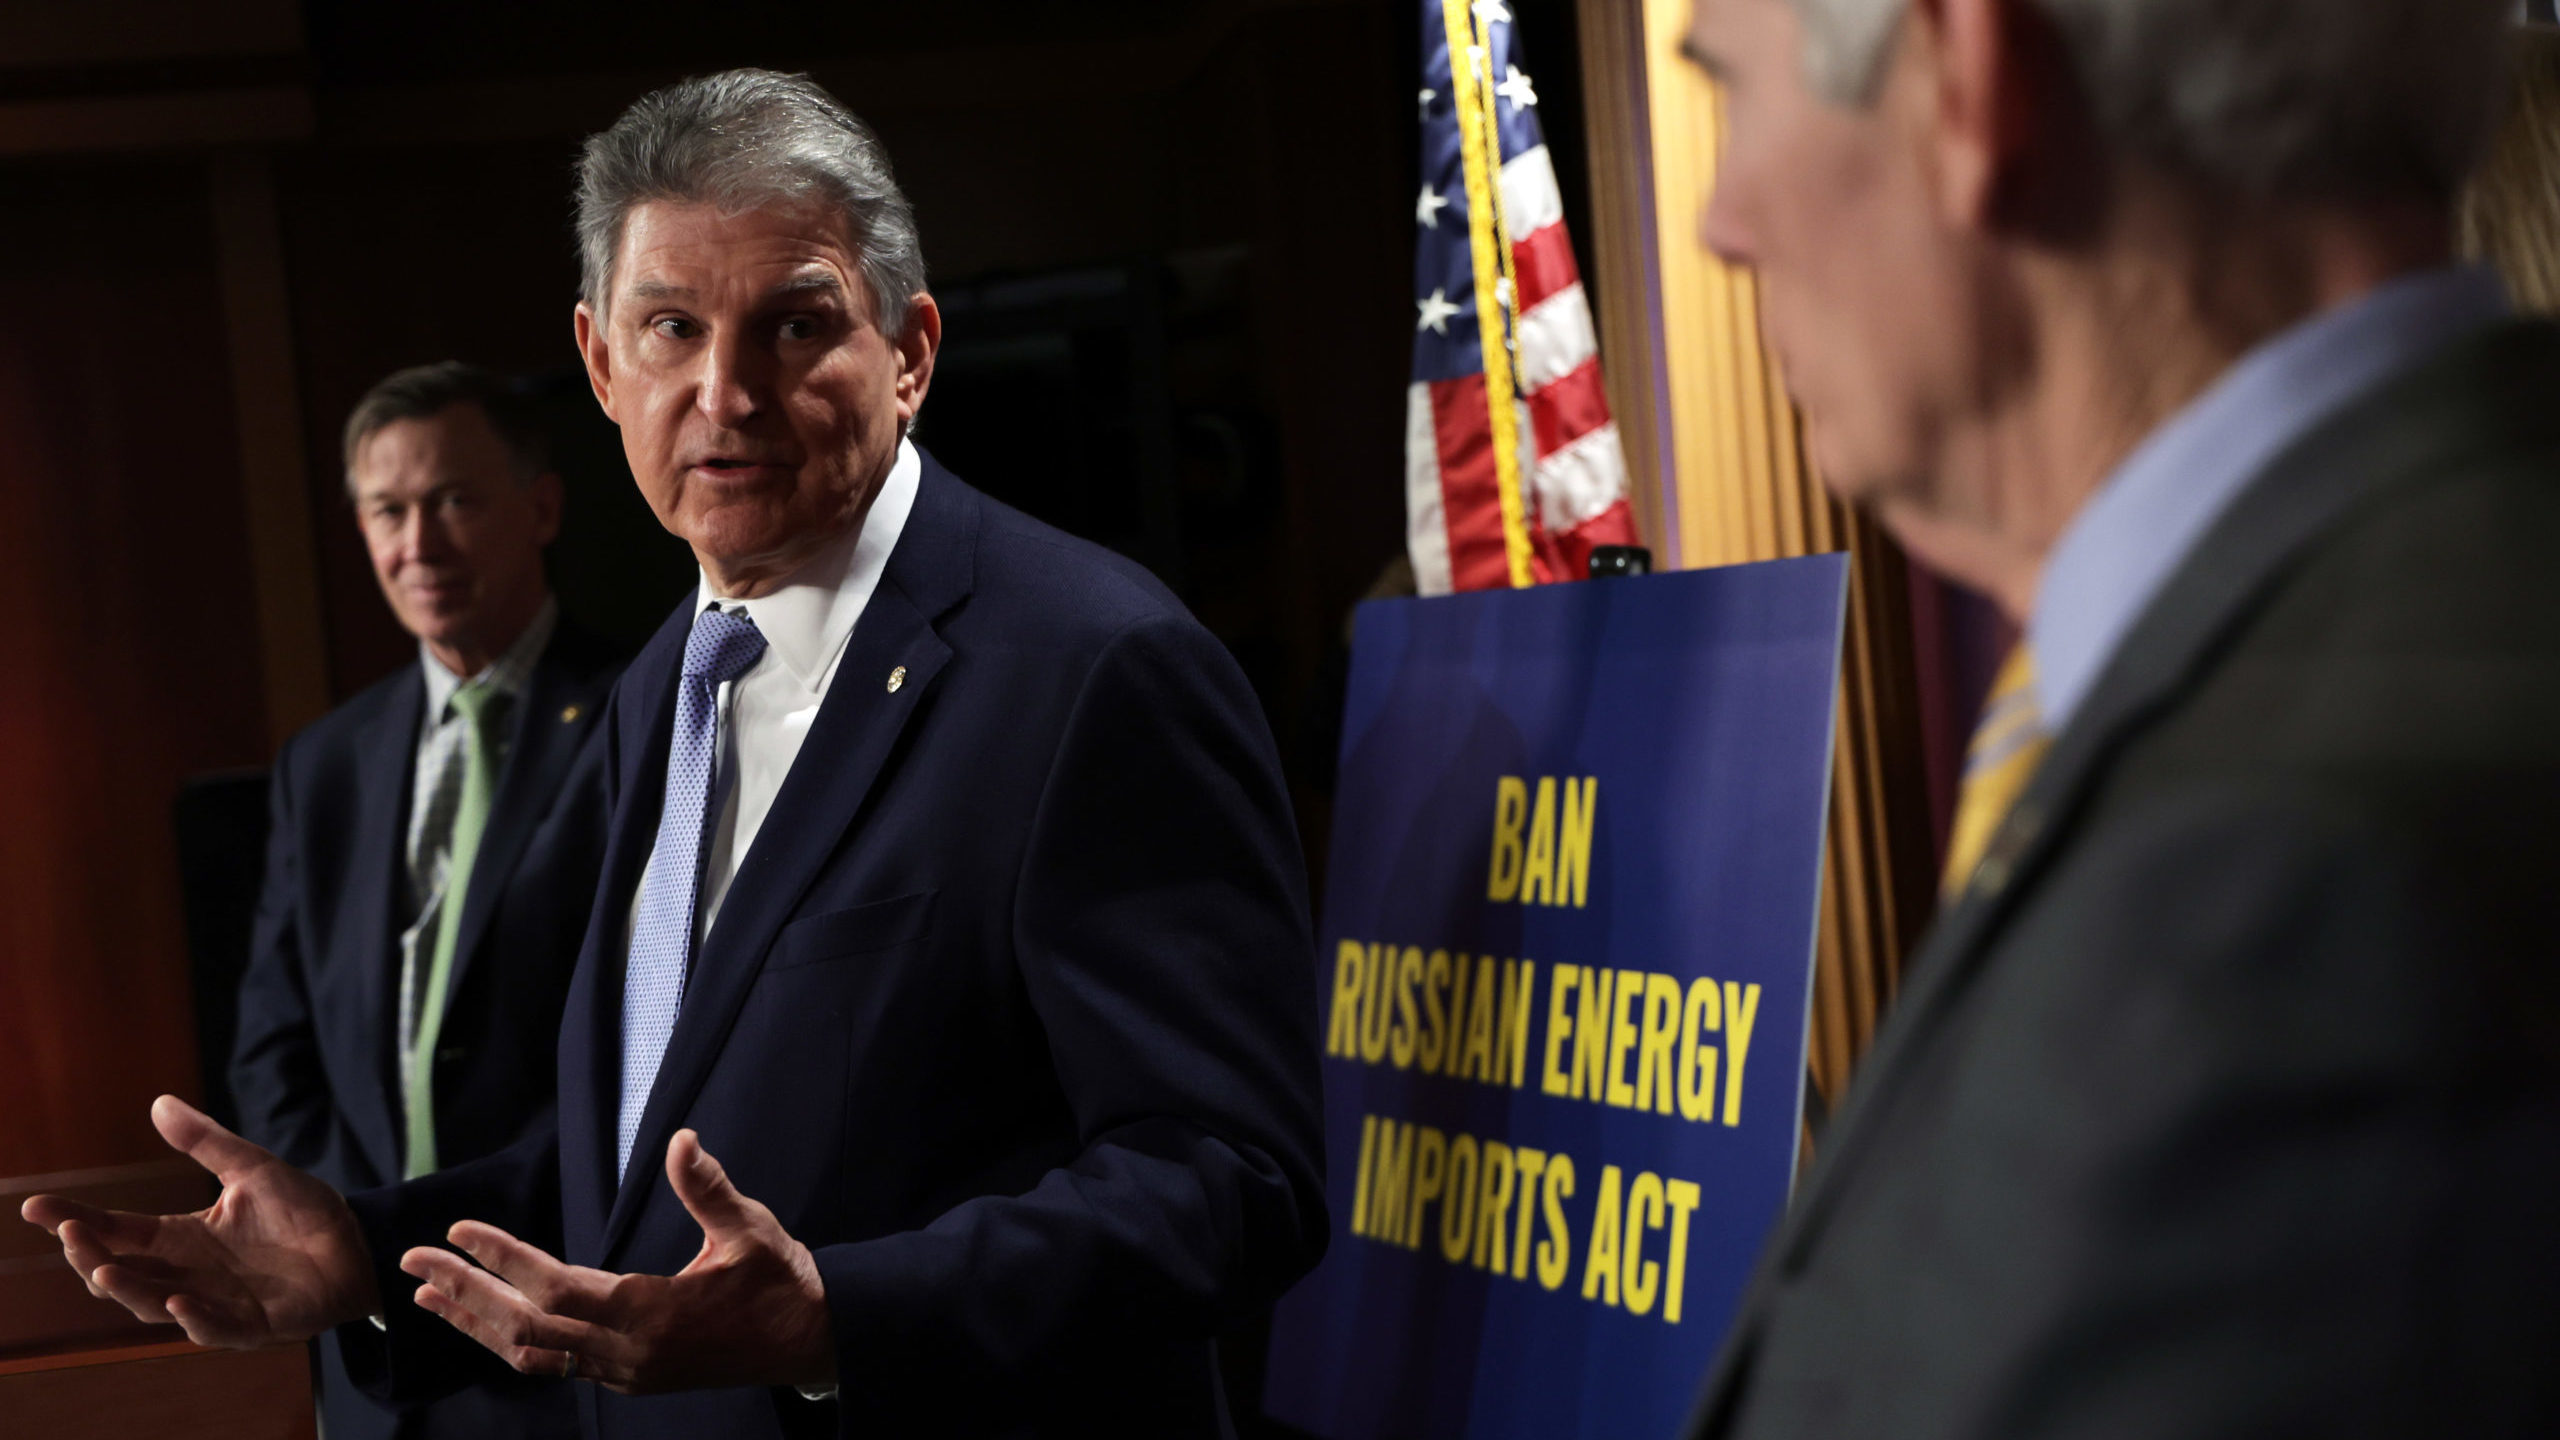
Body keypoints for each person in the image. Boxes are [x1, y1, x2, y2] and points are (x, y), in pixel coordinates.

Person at [25, 70, 1325, 1439]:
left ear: (912, 351)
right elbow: (633, 1174)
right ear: (600, 365)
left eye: (795, 325)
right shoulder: (662, 685)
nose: (727, 393)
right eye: (671, 329)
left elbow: (1236, 1179)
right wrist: (367, 1253)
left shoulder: (1097, 669)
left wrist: (839, 1315)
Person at [1671, 0, 2560, 1435]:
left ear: (1966, 85)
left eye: (1732, 93)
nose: (1723, 219)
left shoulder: (2274, 908)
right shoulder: (2437, 602)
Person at [229, 362, 623, 1440]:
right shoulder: (327, 763)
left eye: (453, 500)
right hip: (369, 1344)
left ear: (539, 507)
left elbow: (639, 1040)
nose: (419, 544)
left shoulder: (640, 722)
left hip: (559, 1312)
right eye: (388, 511)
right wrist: (360, 1242)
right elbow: (275, 1048)